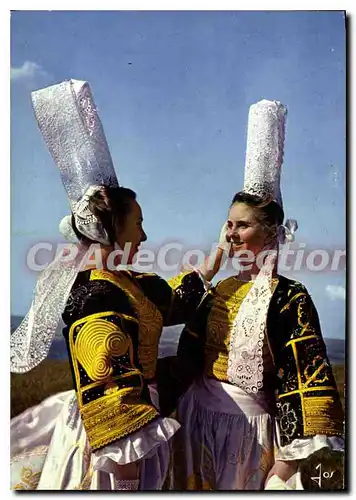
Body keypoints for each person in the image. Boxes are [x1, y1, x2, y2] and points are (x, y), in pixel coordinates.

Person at [10, 79, 226, 491]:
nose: (144, 236)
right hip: (113, 449)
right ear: (113, 228)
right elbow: (110, 387)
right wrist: (126, 480)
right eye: (139, 224)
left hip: (139, 431)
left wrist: (210, 268)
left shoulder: (127, 281)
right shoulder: (95, 293)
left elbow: (171, 303)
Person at [157, 100, 345, 491]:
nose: (231, 233)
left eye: (242, 226)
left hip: (250, 436)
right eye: (228, 224)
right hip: (195, 422)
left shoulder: (290, 297)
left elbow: (309, 380)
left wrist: (287, 466)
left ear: (270, 232)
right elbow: (161, 311)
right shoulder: (218, 289)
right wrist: (211, 263)